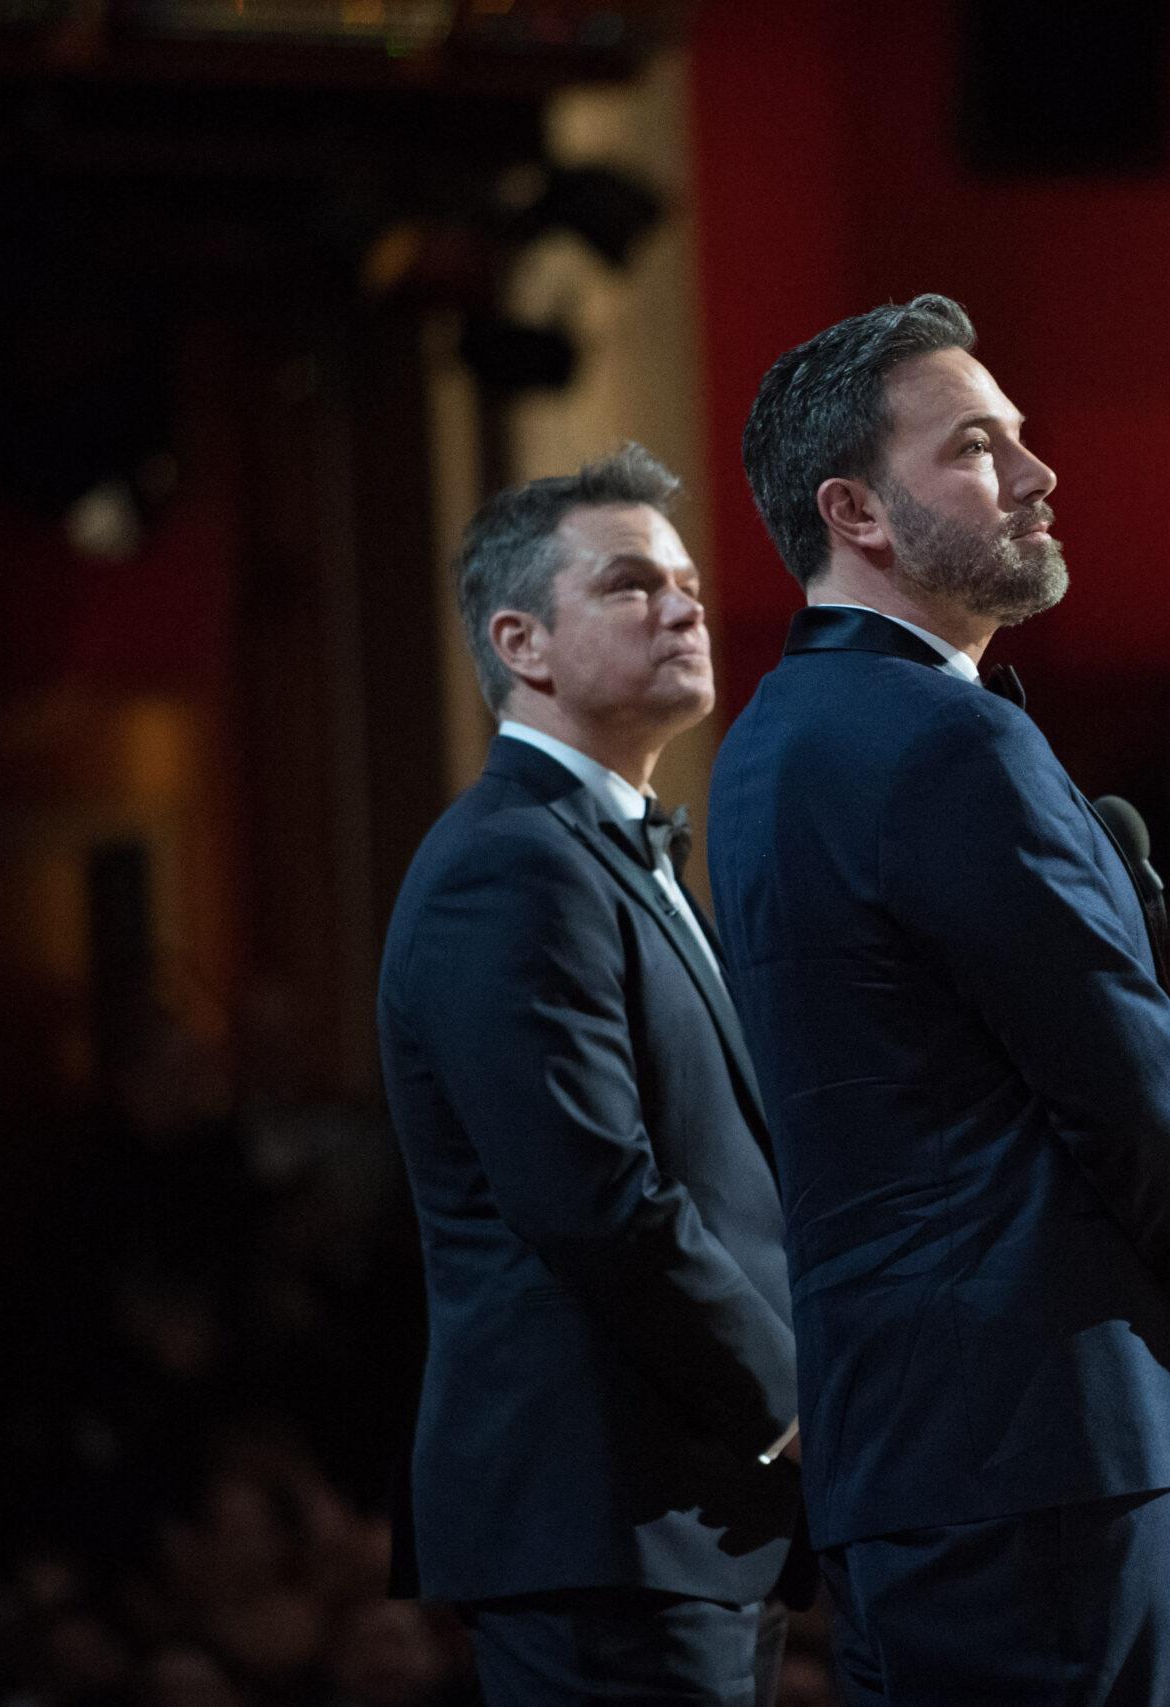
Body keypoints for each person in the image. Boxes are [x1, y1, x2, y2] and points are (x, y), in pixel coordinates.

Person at [710, 294, 1170, 1702]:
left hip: (909, 1441)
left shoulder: (768, 742)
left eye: (1021, 439)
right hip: (1036, 1433)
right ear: (854, 508)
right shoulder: (947, 738)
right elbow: (1117, 1063)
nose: (1036, 477)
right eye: (977, 448)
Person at [376, 446, 801, 1704]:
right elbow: (592, 1196)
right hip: (607, 1514)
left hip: (685, 1514)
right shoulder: (509, 865)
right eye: (630, 586)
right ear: (524, 643)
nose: (684, 607)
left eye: (686, 584)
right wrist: (794, 1407)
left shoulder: (610, 850)